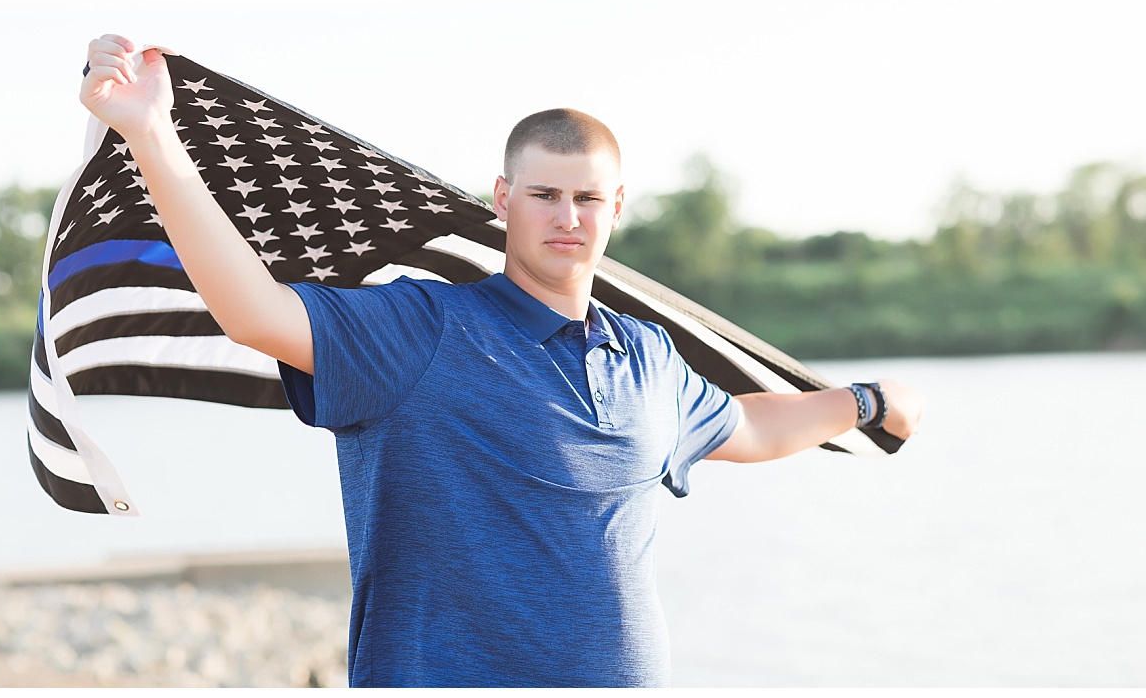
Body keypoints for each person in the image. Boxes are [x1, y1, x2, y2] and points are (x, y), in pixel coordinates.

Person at [80, 34, 923, 688]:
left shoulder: (646, 358)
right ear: (503, 199)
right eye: (546, 193)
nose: (568, 216)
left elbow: (748, 423)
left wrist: (864, 400)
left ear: (616, 207)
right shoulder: (422, 327)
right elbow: (254, 310)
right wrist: (153, 134)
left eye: (588, 197)